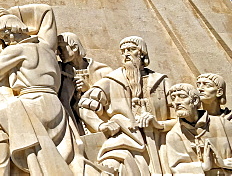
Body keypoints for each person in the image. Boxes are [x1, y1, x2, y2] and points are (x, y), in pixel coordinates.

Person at [0, 7, 93, 175]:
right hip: (54, 105)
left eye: (7, 35)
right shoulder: (47, 46)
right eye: (3, 38)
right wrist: (12, 14)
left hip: (32, 102)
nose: (7, 40)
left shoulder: (14, 50)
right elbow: (46, 11)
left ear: (17, 29)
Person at [78, 36, 173, 175]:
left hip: (160, 144)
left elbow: (180, 119)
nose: (126, 54)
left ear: (142, 53)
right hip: (124, 142)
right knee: (112, 166)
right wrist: (101, 125)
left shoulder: (161, 81)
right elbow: (84, 106)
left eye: (131, 49)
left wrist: (158, 124)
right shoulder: (112, 81)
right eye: (123, 51)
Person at [165, 83, 232, 175]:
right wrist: (203, 166)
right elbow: (176, 167)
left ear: (195, 100)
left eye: (182, 96)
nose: (177, 102)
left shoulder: (223, 124)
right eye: (173, 98)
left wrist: (224, 163)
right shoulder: (174, 135)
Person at [58, 31, 112, 134]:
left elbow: (116, 99)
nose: (58, 53)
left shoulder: (102, 71)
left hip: (98, 114)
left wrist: (88, 88)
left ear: (74, 48)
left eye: (61, 48)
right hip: (74, 125)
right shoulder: (60, 70)